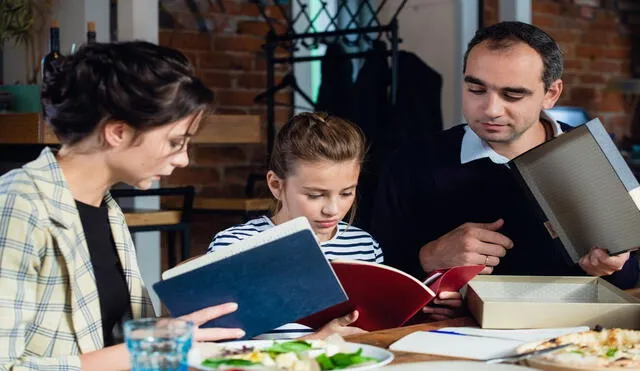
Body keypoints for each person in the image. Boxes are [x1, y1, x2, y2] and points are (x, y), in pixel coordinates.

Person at [0, 41, 245, 371]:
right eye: (175, 142)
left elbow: (101, 338)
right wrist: (141, 350)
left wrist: (167, 330)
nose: (184, 159)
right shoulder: (19, 205)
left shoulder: (106, 208)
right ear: (118, 132)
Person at [371, 21, 639, 295]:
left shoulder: (595, 158)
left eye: (512, 95)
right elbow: (374, 277)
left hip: (573, 331)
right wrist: (428, 258)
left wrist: (611, 267)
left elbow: (631, 277)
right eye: (476, 90)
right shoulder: (410, 163)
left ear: (551, 94)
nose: (491, 110)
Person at [208, 112, 385, 339]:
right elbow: (217, 347)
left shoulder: (364, 246)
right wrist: (317, 341)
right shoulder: (235, 245)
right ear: (275, 185)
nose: (333, 209)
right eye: (315, 195)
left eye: (346, 193)